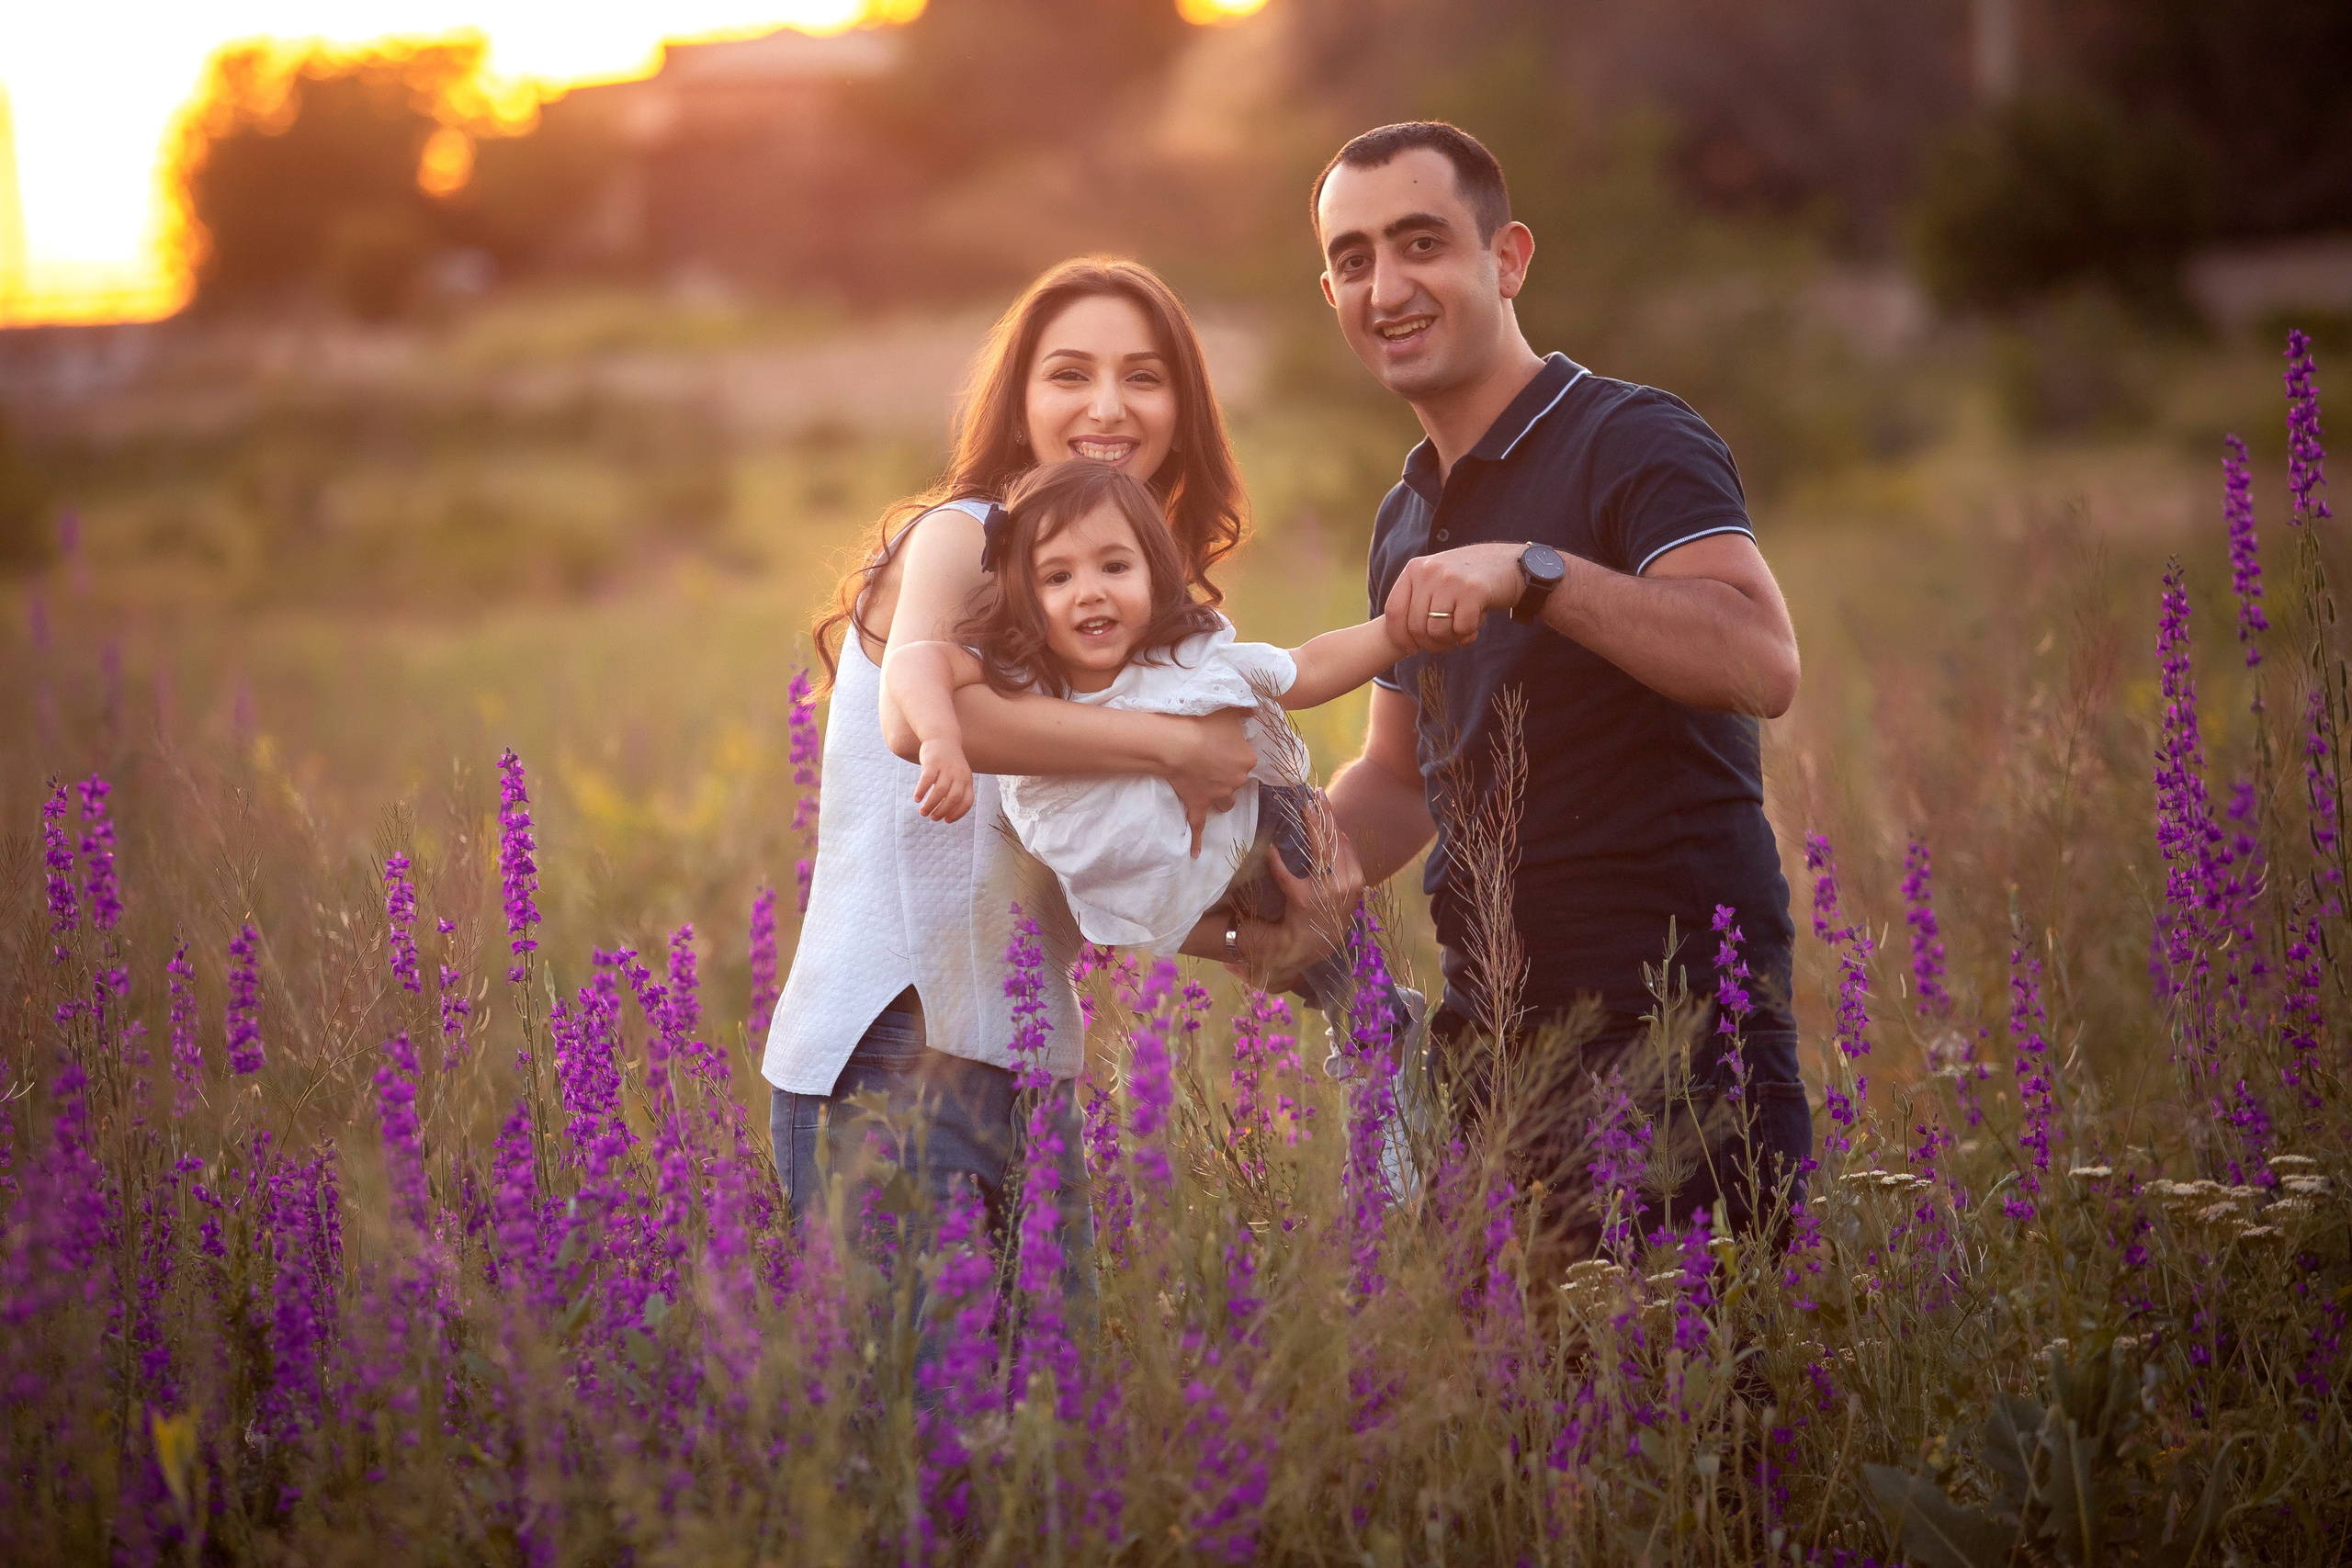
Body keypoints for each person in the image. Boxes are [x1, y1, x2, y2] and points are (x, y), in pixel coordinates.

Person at [762, 257, 1357, 1273]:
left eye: (1144, 376)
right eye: (1070, 374)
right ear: (1020, 401)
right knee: (929, 1422)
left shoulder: (1109, 612)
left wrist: (1267, 936)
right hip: (888, 1056)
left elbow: (1084, 868)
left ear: (1183, 407)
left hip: (1025, 1069)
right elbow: (927, 720)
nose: (1108, 407)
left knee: (1039, 1421)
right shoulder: (962, 538)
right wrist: (1175, 745)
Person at [1303, 121, 1815, 1252]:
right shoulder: (1406, 518)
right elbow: (1397, 780)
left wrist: (1532, 575)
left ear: (1507, 258)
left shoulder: (1633, 439)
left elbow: (1757, 662)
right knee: (1533, 1422)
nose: (1384, 287)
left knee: (1706, 1415)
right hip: (1489, 1058)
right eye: (1351, 259)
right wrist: (1235, 880)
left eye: (1420, 242)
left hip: (1679, 1045)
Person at [883, 457, 1423, 1050]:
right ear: (1024, 594)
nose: (1089, 592)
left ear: (1155, 573)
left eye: (1114, 566)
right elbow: (914, 660)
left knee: (1339, 966)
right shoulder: (1025, 676)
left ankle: (1383, 1050)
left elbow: (1310, 667)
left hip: (1262, 830)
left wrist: (1398, 634)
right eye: (1056, 577)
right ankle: (1375, 1023)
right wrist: (941, 738)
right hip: (1150, 877)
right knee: (1292, 961)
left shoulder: (1184, 659)